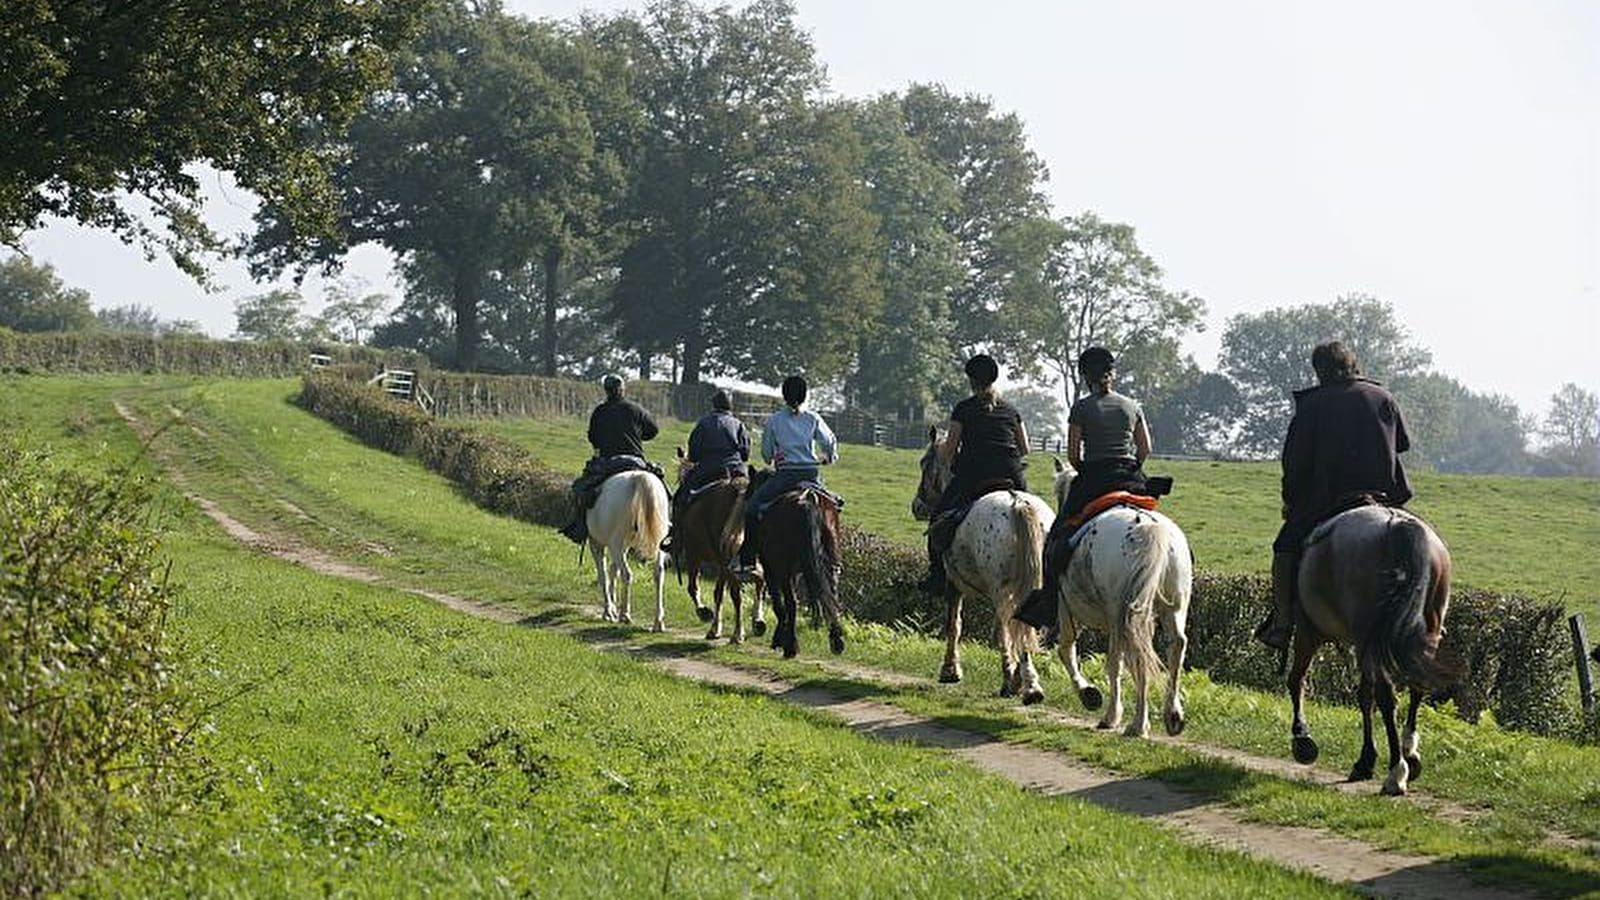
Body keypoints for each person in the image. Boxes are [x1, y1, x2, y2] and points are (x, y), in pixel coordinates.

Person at [1255, 340, 1413, 651]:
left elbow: (1295, 462)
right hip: (1384, 498)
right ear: (1353, 364)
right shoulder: (1383, 397)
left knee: (1284, 548)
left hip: (1329, 500)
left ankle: (1282, 623)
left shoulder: (1313, 404)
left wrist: (1291, 500)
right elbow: (1402, 444)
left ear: (1319, 370)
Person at [1016, 346, 1151, 631]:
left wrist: (1086, 469)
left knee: (1056, 539)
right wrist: (1132, 467)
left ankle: (1048, 607)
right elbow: (1145, 449)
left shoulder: (1081, 408)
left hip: (1094, 479)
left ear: (1085, 377)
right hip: (1130, 476)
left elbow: (1074, 455)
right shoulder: (1132, 406)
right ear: (1112, 373)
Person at [919, 354, 1030, 596]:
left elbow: (949, 451)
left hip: (974, 473)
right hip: (1011, 473)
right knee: (1031, 514)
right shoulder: (1011, 410)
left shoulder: (963, 409)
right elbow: (1026, 449)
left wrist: (948, 454)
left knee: (937, 519)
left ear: (971, 381)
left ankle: (936, 576)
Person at [731, 375, 838, 577]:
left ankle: (748, 559)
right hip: (811, 475)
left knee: (752, 507)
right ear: (805, 396)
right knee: (833, 504)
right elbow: (829, 441)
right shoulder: (813, 418)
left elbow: (767, 454)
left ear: (784, 395)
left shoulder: (775, 420)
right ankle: (834, 561)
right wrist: (829, 457)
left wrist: (773, 456)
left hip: (785, 476)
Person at [559, 374, 662, 543]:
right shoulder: (635, 409)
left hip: (609, 462)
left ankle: (580, 528)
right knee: (663, 487)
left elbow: (593, 437)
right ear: (622, 389)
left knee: (580, 488)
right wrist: (637, 435)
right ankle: (669, 526)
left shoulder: (600, 411)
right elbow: (653, 430)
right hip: (636, 461)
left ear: (606, 390)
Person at [663, 389, 751, 554]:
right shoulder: (739, 424)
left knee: (680, 497)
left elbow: (694, 455)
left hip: (708, 470)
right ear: (730, 405)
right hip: (737, 471)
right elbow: (745, 454)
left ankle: (675, 537)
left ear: (713, 405)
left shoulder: (703, 423)